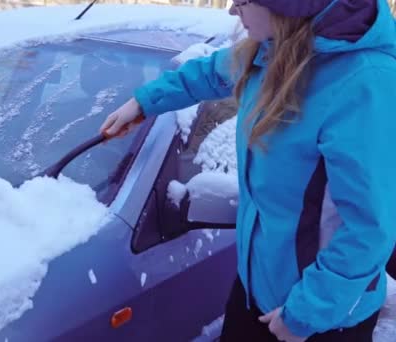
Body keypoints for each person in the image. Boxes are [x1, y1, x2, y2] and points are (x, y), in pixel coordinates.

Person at [100, 0, 396, 341]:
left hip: (320, 316)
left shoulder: (365, 84)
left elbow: (369, 228)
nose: (231, 11)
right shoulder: (275, 51)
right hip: (255, 289)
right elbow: (214, 71)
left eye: (241, 1)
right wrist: (143, 102)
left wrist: (306, 313)